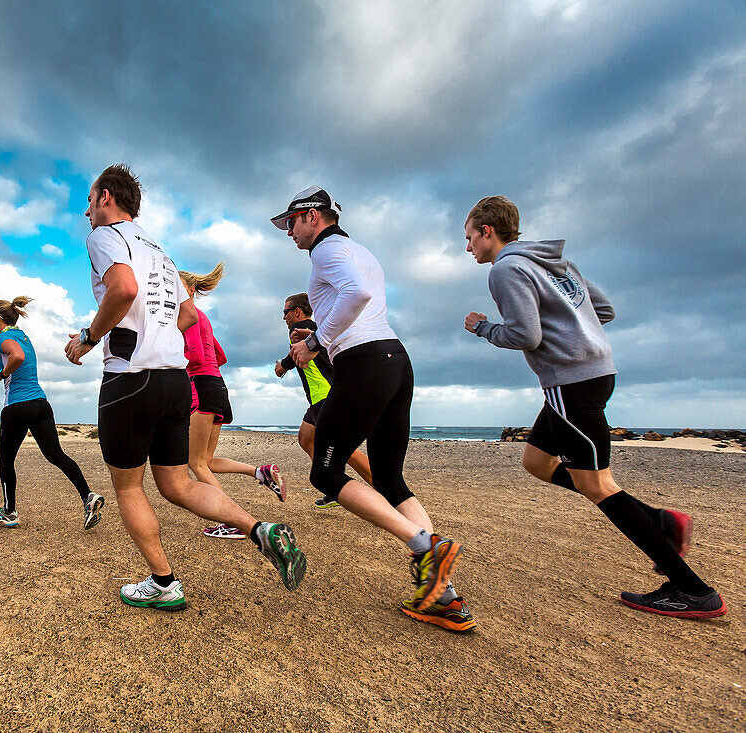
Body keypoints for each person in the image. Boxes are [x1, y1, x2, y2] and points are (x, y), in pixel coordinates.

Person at [463, 195, 725, 620]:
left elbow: (525, 336)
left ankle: (693, 590)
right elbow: (603, 309)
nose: (468, 246)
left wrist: (483, 328)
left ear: (487, 231)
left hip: (571, 382)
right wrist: (575, 329)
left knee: (599, 486)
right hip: (594, 374)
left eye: (469, 236)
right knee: (536, 460)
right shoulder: (556, 263)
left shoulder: (506, 269)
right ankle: (660, 521)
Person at [65, 164, 306, 611]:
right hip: (176, 381)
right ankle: (259, 530)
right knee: (176, 483)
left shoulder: (103, 237)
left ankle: (163, 583)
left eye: (89, 201)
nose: (85, 213)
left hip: (129, 380)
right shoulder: (160, 250)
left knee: (129, 488)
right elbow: (190, 315)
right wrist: (161, 336)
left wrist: (88, 338)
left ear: (105, 198)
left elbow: (122, 288)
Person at [272, 186, 474, 632]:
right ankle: (443, 596)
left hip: (364, 361)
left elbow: (358, 293)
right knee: (387, 477)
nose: (288, 232)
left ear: (312, 217)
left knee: (325, 473)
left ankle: (426, 545)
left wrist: (313, 341)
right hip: (395, 361)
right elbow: (365, 293)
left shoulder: (327, 250)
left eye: (290, 221)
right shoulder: (361, 250)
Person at [178, 263, 286, 540]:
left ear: (190, 290)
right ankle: (259, 472)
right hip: (215, 385)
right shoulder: (203, 317)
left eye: (176, 287)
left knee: (196, 463)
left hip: (201, 387)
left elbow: (197, 357)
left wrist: (172, 358)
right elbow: (220, 357)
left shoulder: (188, 315)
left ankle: (232, 520)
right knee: (207, 461)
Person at [0, 297, 104, 530]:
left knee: (6, 461)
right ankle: (87, 496)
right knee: (55, 455)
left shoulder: (2, 337)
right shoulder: (23, 337)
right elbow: (18, 358)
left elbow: (16, 357)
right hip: (40, 404)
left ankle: (8, 512)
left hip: (17, 406)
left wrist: (0, 373)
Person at [274, 292, 373, 509]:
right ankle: (332, 487)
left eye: (286, 312)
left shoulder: (298, 329)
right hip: (321, 396)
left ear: (297, 311)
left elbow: (295, 353)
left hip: (324, 395)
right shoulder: (318, 328)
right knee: (306, 438)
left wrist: (282, 366)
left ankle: (386, 491)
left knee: (344, 450)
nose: (284, 318)